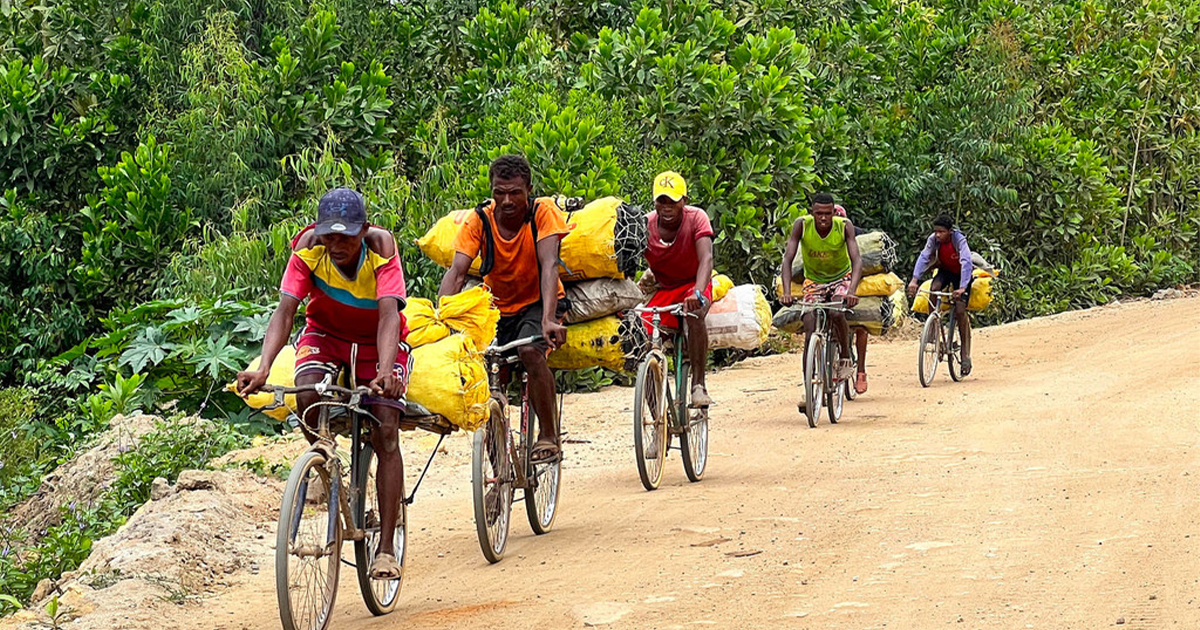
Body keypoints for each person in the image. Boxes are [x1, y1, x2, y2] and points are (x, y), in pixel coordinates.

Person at [236, 188, 411, 580]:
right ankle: (325, 463)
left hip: (376, 342)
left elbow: (388, 316)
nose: (336, 245)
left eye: (345, 237)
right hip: (325, 335)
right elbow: (286, 311)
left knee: (385, 428)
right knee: (307, 393)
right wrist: (263, 368)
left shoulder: (381, 246)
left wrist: (386, 370)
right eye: (329, 236)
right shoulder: (308, 246)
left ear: (363, 230)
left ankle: (384, 549)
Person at [438, 154, 569, 463]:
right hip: (496, 308)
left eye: (515, 192)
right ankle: (498, 462)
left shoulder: (542, 213)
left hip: (540, 303)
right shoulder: (479, 220)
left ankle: (549, 435)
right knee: (485, 370)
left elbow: (550, 265)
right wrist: (439, 319)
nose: (507, 200)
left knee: (529, 352)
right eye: (499, 192)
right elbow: (457, 272)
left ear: (529, 190)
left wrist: (549, 319)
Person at [780, 193, 863, 408]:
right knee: (809, 324)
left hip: (841, 278)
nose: (823, 218)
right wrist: (787, 291)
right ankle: (809, 388)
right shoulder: (802, 225)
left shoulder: (844, 226)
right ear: (812, 213)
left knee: (836, 312)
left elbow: (856, 260)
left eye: (827, 214)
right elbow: (788, 258)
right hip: (814, 281)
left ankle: (845, 357)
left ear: (834, 213)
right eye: (819, 214)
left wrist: (852, 291)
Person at [642, 171, 715, 407]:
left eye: (673, 201)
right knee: (640, 329)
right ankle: (654, 407)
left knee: (694, 313)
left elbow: (706, 259)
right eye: (661, 201)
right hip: (664, 288)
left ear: (684, 199)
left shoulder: (697, 218)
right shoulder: (645, 225)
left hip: (694, 283)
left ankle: (698, 384)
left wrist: (698, 292)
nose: (667, 207)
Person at [907, 214, 974, 375]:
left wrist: (963, 288)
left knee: (959, 310)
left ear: (950, 231)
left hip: (961, 276)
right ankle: (934, 328)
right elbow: (924, 256)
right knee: (934, 287)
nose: (938, 235)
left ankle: (965, 355)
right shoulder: (933, 240)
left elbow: (966, 262)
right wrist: (914, 280)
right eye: (936, 231)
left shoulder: (959, 240)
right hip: (945, 271)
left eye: (941, 232)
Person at [833, 204, 871, 395]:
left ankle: (861, 371)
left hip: (854, 282)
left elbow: (861, 261)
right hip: (829, 280)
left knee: (861, 327)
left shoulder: (858, 236)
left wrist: (853, 288)